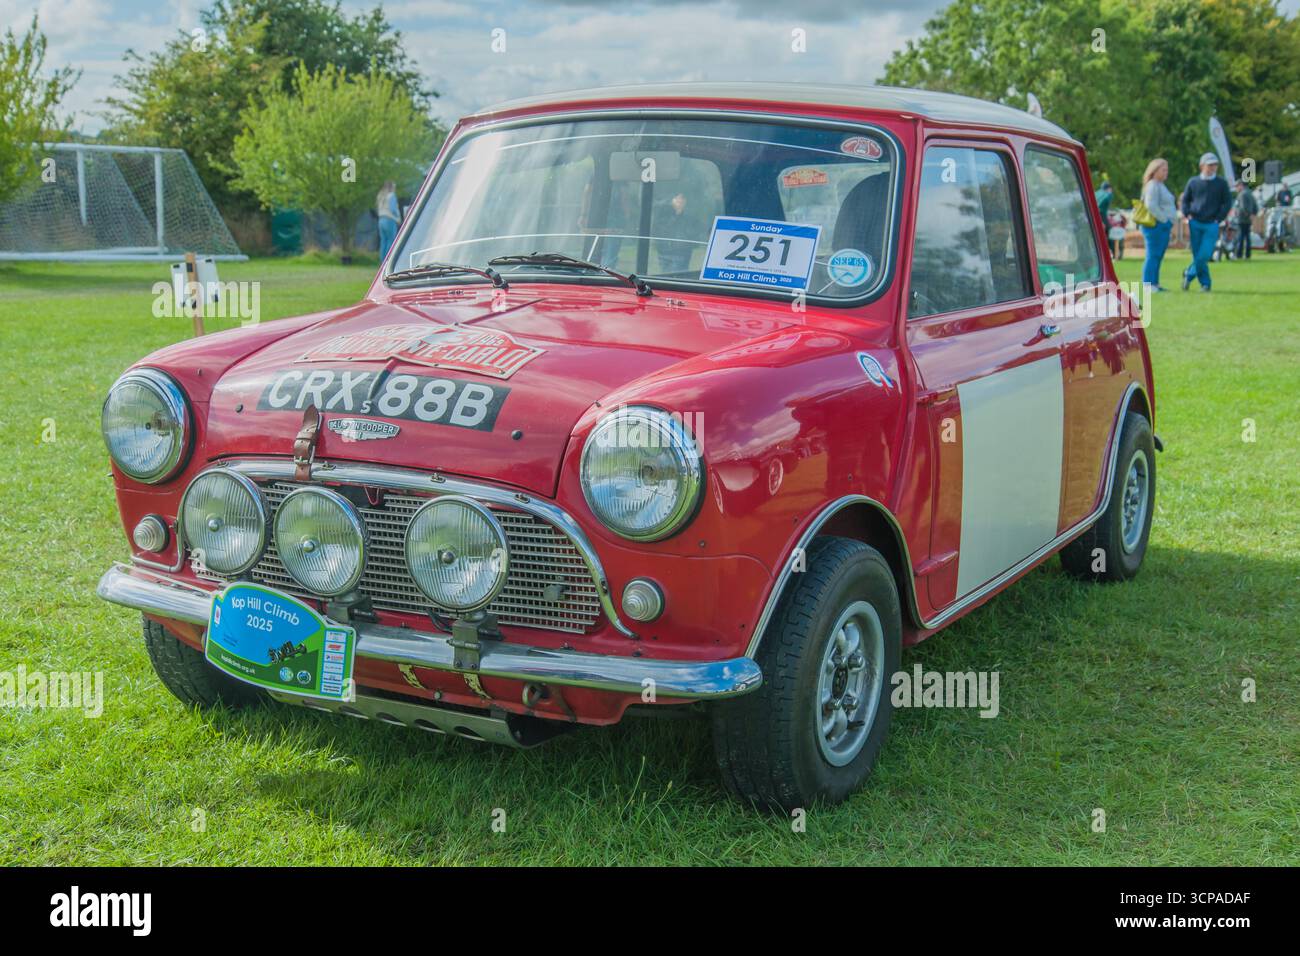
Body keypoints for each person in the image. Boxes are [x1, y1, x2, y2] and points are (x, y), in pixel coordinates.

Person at [1179, 153, 1232, 292]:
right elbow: (1185, 200)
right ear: (1202, 166)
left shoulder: (1221, 183)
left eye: (1215, 165)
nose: (1212, 168)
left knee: (1205, 254)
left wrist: (1219, 218)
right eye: (1210, 165)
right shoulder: (1193, 182)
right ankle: (1205, 284)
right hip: (1195, 222)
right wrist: (1187, 214)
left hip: (1212, 224)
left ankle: (1189, 274)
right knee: (1198, 255)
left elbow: (1227, 202)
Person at [1139, 158, 1177, 291]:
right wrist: (1164, 220)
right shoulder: (1152, 185)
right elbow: (1151, 205)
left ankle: (1155, 283)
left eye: (1167, 170)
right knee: (1152, 255)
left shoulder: (1160, 185)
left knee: (1158, 255)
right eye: (1163, 170)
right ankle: (1148, 284)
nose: (1166, 172)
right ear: (1155, 171)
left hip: (1162, 225)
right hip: (1155, 226)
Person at [1230, 181, 1258, 260]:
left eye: (1237, 186)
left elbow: (1243, 207)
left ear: (1241, 185)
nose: (1236, 189)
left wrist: (1248, 215)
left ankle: (1239, 254)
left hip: (1242, 219)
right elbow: (1255, 206)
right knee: (1247, 237)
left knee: (1240, 237)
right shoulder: (1250, 193)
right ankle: (1248, 255)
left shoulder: (1242, 194)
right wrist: (1253, 215)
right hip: (1248, 219)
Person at [376, 181, 400, 262]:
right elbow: (393, 209)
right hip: (389, 219)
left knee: (383, 241)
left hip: (381, 220)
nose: (395, 189)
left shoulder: (380, 195)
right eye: (394, 187)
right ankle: (388, 261)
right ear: (391, 188)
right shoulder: (392, 195)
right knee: (391, 240)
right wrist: (398, 218)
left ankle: (382, 261)